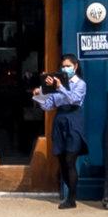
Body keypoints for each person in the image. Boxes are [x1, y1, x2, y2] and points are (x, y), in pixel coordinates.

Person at [33, 55, 88, 208]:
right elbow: (48, 106)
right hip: (60, 120)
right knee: (62, 160)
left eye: (68, 66)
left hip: (74, 120)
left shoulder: (80, 84)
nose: (65, 69)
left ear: (75, 67)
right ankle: (70, 192)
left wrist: (60, 88)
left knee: (71, 160)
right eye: (63, 66)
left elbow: (74, 99)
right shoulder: (55, 85)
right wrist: (39, 96)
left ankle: (72, 199)